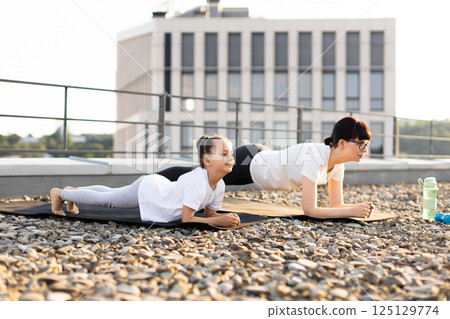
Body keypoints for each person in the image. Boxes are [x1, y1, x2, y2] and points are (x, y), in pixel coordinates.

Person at [157, 117, 375, 219]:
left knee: (211, 180)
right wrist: (351, 212)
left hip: (262, 164)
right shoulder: (314, 157)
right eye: (361, 144)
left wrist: (356, 207)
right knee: (196, 174)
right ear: (343, 143)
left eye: (366, 144)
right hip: (252, 162)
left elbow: (336, 204)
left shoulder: (337, 164)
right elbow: (310, 211)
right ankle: (154, 180)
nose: (364, 149)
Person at [50, 135, 240, 227]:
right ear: (207, 161)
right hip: (149, 192)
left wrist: (224, 218)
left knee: (110, 192)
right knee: (109, 200)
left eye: (230, 153)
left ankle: (73, 190)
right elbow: (187, 219)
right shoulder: (198, 182)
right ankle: (61, 193)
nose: (230, 157)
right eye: (224, 154)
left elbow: (209, 215)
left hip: (157, 186)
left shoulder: (219, 184)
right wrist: (221, 221)